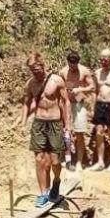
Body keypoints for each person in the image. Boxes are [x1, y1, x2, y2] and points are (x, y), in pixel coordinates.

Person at [21, 52, 71, 208]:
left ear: (42, 66)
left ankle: (56, 181)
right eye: (32, 71)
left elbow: (66, 102)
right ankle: (43, 193)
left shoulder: (56, 80)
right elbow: (26, 103)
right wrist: (23, 122)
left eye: (37, 69)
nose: (35, 73)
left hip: (55, 123)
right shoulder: (30, 84)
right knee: (39, 160)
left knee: (55, 161)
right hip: (39, 123)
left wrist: (67, 126)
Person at [61, 51, 96, 168]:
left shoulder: (84, 71)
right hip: (66, 104)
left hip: (79, 105)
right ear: (68, 63)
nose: (73, 68)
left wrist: (80, 89)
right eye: (71, 66)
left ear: (78, 63)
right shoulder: (63, 72)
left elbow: (92, 86)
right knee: (66, 132)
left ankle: (80, 162)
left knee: (79, 133)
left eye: (75, 66)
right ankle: (67, 160)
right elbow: (59, 87)